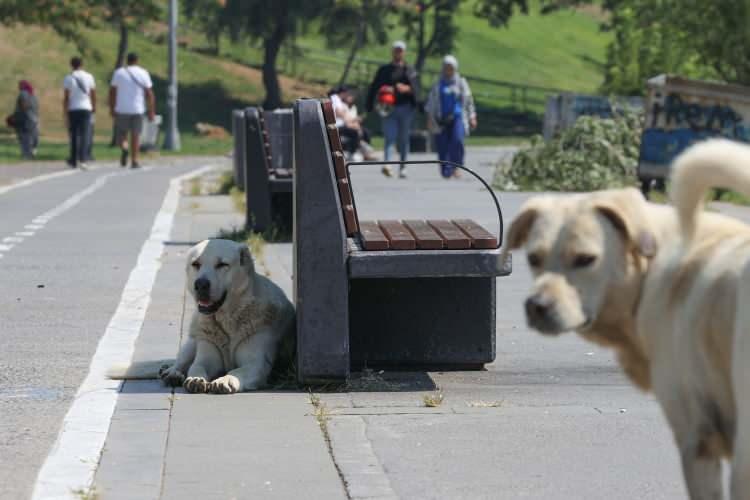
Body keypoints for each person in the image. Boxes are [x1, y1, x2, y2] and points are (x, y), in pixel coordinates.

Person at [366, 41, 419, 178]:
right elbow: (374, 87)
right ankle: (387, 164)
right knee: (389, 137)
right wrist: (371, 104)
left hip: (406, 108)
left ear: (404, 52)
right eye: (396, 50)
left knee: (403, 138)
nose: (398, 53)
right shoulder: (384, 70)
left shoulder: (409, 70)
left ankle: (403, 167)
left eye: (400, 50)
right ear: (392, 52)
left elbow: (416, 89)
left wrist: (407, 89)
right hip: (388, 108)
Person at [426, 55, 477, 179]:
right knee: (442, 144)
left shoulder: (460, 82)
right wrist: (429, 118)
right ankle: (445, 169)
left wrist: (472, 116)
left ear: (455, 68)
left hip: (457, 118)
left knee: (457, 141)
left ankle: (457, 166)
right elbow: (431, 103)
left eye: (450, 68)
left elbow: (468, 101)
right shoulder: (438, 84)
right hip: (440, 119)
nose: (448, 70)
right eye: (446, 67)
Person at [109, 52, 155, 169]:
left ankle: (124, 147)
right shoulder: (143, 73)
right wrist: (151, 111)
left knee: (122, 134)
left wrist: (112, 107)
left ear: (127, 60)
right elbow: (149, 94)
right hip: (138, 109)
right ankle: (134, 160)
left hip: (122, 109)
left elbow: (113, 92)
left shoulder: (119, 73)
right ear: (137, 60)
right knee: (136, 135)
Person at [63, 56, 96, 169]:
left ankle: (73, 159)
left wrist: (65, 110)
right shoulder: (89, 76)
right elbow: (93, 94)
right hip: (86, 108)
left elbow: (66, 97)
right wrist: (94, 107)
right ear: (82, 64)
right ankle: (83, 158)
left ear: (71, 65)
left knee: (74, 135)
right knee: (85, 134)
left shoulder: (68, 78)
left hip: (73, 108)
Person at [8, 80, 39, 159]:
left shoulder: (23, 93)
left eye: (20, 85)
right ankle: (31, 153)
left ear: (23, 86)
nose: (18, 86)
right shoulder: (33, 95)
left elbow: (24, 105)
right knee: (31, 137)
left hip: (25, 119)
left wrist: (15, 116)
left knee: (24, 137)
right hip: (34, 119)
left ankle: (26, 154)